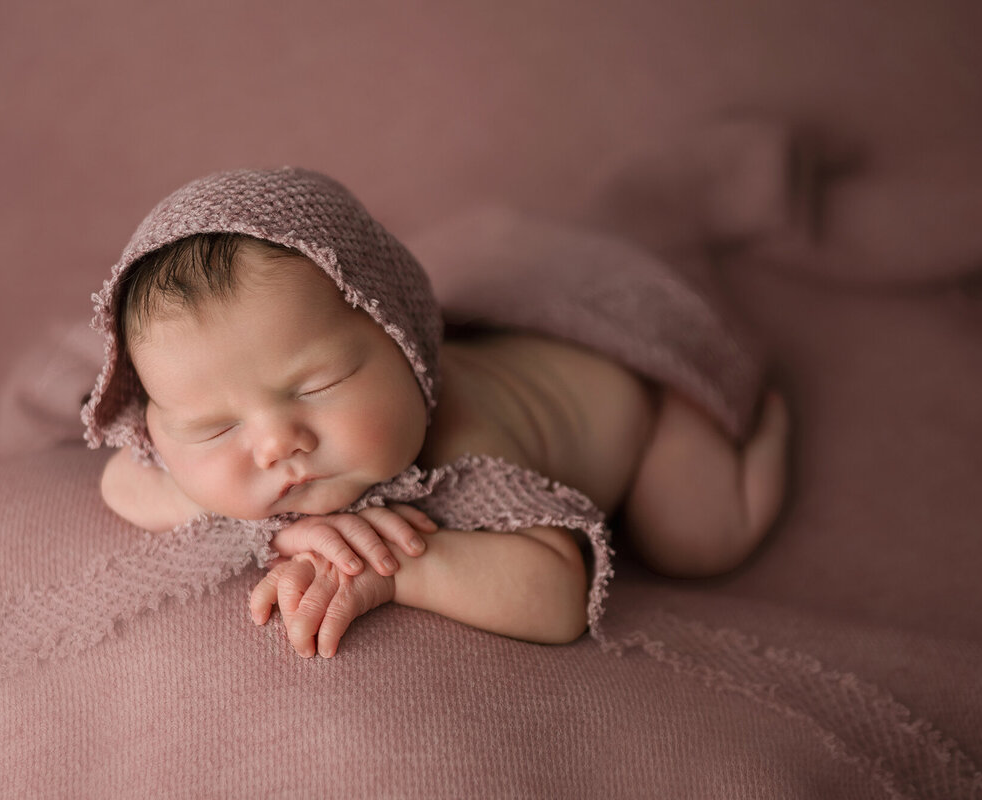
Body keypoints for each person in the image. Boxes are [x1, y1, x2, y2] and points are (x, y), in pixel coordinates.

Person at [92, 169, 790, 659]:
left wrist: (397, 570)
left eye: (316, 385)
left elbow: (557, 595)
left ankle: (758, 426)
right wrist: (287, 536)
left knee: (696, 540)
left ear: (402, 342)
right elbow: (123, 483)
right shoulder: (222, 446)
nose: (276, 443)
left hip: (628, 397)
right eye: (213, 427)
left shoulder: (465, 446)